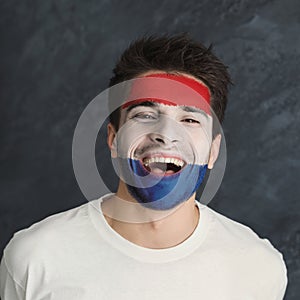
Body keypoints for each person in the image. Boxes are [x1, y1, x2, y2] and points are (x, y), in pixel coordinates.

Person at [0, 34, 287, 299]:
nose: (166, 133)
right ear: (113, 139)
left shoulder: (258, 268)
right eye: (146, 114)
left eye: (189, 119)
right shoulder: (34, 258)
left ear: (213, 152)